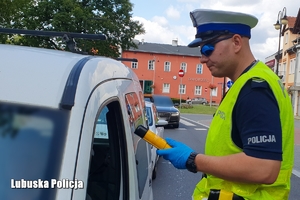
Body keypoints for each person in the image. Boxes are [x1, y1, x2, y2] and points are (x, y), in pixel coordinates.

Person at [157, 9, 294, 200]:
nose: (203, 58)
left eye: (208, 49)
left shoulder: (254, 90)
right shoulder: (248, 83)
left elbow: (265, 167)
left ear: (236, 42)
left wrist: (193, 160)